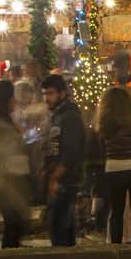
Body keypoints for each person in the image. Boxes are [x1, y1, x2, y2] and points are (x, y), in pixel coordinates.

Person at [0, 80, 33, 249]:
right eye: (13, 98)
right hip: (3, 181)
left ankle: (11, 254)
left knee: (15, 222)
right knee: (14, 221)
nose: (15, 102)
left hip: (9, 179)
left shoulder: (3, 121)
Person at [98, 85, 131, 244]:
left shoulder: (104, 123)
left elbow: (100, 146)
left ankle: (116, 247)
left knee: (116, 211)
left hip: (113, 167)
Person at [40, 74, 86, 247]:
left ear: (62, 93)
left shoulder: (70, 117)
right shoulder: (57, 115)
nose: (46, 98)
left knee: (61, 227)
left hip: (65, 181)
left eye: (50, 94)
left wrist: (55, 177)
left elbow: (70, 151)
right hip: (58, 179)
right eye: (44, 94)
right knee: (59, 226)